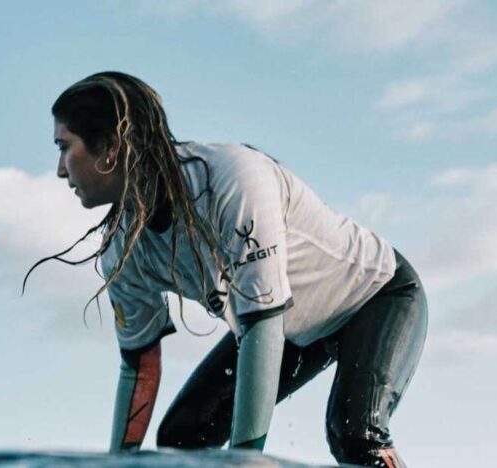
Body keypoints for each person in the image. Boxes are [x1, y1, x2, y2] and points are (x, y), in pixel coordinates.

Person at [26, 71, 428, 468]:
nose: (60, 169)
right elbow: (140, 365)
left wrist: (245, 461)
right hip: (287, 326)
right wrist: (117, 466)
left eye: (64, 147)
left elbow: (262, 325)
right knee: (182, 439)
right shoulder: (121, 249)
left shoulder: (234, 179)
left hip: (374, 294)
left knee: (355, 435)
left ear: (110, 147)